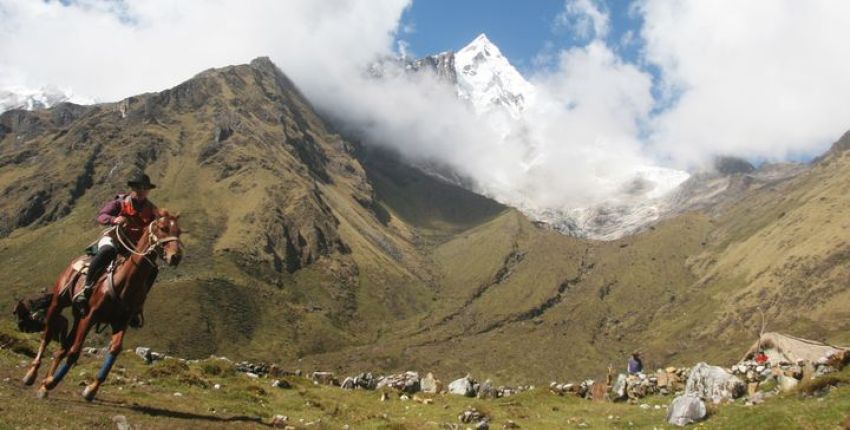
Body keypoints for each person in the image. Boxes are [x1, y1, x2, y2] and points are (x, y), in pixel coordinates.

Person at [72, 173, 159, 322]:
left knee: (152, 268)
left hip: (132, 247)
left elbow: (156, 227)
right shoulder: (120, 202)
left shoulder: (152, 210)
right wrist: (113, 219)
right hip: (114, 238)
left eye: (144, 188)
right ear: (133, 188)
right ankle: (86, 289)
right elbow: (101, 215)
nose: (141, 191)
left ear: (148, 190)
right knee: (107, 251)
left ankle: (136, 306)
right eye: (138, 187)